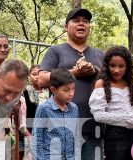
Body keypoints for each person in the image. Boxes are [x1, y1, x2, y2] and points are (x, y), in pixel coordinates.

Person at [38, 8, 103, 160]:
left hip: (94, 127)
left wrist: (95, 70)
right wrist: (74, 73)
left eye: (85, 21)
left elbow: (111, 82)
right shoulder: (55, 51)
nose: (81, 24)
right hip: (61, 127)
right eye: (76, 20)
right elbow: (41, 79)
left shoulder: (100, 54)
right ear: (66, 26)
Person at [89, 46, 133, 160]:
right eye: (112, 65)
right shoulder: (101, 83)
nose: (116, 70)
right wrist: (129, 119)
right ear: (107, 66)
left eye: (121, 66)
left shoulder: (132, 86)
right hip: (115, 136)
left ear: (127, 67)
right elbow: (98, 115)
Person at [31, 69, 79, 160]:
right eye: (66, 90)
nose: (71, 94)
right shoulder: (44, 109)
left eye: (73, 89)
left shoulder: (74, 109)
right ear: (53, 89)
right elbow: (36, 140)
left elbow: (76, 136)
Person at [19, 65, 49, 159]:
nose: (37, 77)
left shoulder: (51, 92)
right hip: (28, 132)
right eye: (34, 74)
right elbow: (21, 115)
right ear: (29, 76)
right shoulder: (24, 93)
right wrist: (28, 134)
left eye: (39, 74)